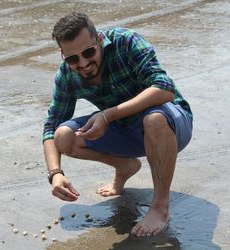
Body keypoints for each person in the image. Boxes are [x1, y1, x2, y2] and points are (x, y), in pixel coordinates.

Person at [43, 12, 193, 237]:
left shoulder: (126, 41)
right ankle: (124, 166)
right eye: (73, 59)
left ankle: (160, 208)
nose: (83, 63)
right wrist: (55, 174)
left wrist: (107, 116)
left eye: (89, 52)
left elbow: (164, 88)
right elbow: (51, 126)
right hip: (126, 131)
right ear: (63, 56)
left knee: (154, 119)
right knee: (63, 136)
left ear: (99, 40)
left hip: (171, 125)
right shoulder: (66, 75)